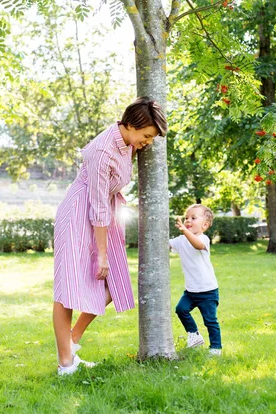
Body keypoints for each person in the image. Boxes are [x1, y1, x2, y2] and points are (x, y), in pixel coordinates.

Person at [53, 97, 168, 375]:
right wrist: (102, 254)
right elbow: (97, 205)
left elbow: (106, 198)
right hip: (80, 215)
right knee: (68, 290)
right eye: (147, 135)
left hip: (102, 215)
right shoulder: (103, 151)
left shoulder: (126, 142)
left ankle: (72, 340)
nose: (148, 142)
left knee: (113, 284)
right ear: (130, 124)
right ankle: (65, 364)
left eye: (152, 138)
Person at [169, 204, 222, 356]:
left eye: (193, 218)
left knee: (210, 320)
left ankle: (216, 348)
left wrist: (185, 231)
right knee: (181, 309)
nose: (188, 220)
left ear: (205, 225)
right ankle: (194, 335)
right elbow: (166, 244)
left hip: (208, 290)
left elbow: (197, 245)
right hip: (191, 290)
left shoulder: (203, 239)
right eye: (186, 218)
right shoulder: (180, 240)